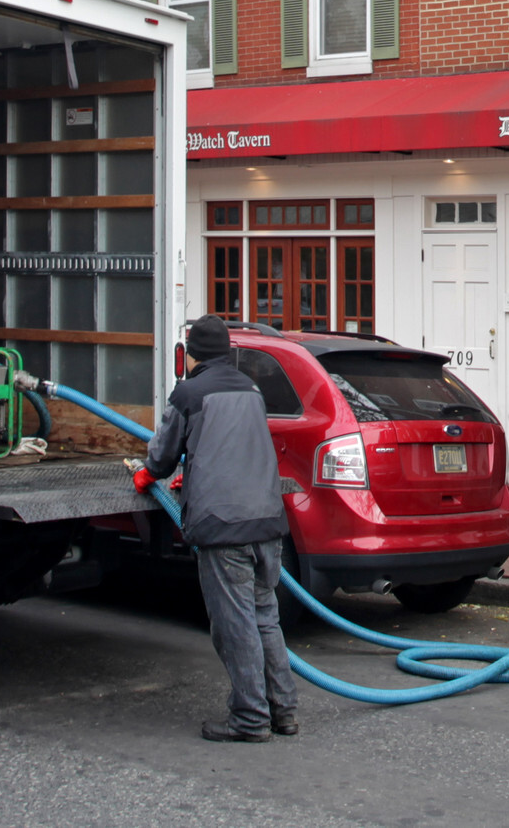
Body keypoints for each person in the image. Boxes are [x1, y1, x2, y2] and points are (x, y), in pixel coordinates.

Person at [135, 314, 299, 742]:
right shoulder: (251, 388)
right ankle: (283, 711)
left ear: (192, 355)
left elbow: (163, 454)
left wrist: (148, 472)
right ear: (226, 352)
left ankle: (249, 718)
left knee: (235, 623)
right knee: (265, 617)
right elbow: (231, 444)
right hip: (266, 520)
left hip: (223, 525)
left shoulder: (189, 392)